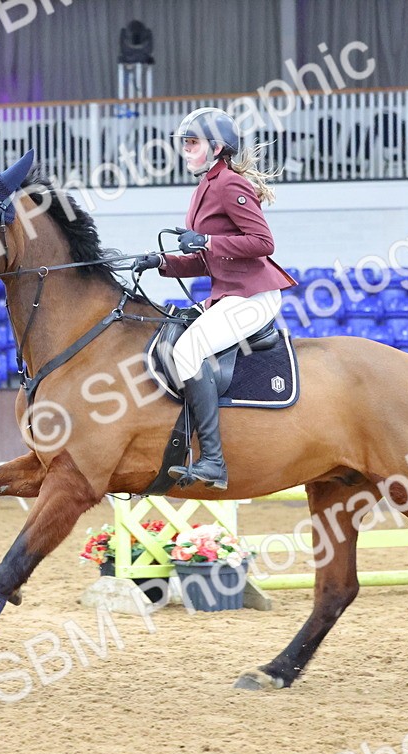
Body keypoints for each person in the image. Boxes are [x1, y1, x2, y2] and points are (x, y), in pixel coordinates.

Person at [134, 107, 297, 491]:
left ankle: (213, 461)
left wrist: (207, 240)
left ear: (217, 147)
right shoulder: (204, 188)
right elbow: (206, 260)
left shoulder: (228, 184)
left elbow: (263, 242)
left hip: (253, 296)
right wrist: (162, 262)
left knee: (188, 351)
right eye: (186, 143)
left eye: (193, 143)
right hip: (227, 295)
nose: (186, 150)